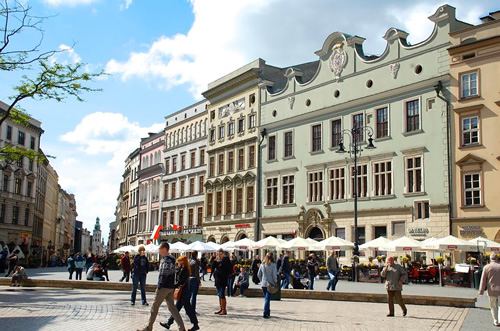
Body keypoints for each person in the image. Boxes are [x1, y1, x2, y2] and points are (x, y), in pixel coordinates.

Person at [138, 242, 186, 331]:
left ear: (164, 249)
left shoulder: (166, 259)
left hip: (164, 287)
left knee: (154, 307)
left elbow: (164, 273)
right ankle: (181, 328)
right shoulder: (172, 259)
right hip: (170, 287)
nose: (159, 250)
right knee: (172, 308)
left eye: (160, 248)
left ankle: (149, 327)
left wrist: (160, 285)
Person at [159, 255, 199, 331]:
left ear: (184, 261)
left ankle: (195, 324)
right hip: (183, 292)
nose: (178, 261)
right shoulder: (183, 269)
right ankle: (169, 323)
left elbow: (180, 281)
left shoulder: (185, 270)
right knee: (176, 309)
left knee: (188, 309)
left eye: (180, 260)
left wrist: (173, 286)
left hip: (184, 292)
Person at [479, 253, 500, 326]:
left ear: (490, 259)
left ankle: (496, 320)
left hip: (491, 290)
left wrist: (481, 290)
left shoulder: (486, 267)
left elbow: (483, 280)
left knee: (493, 306)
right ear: (497, 259)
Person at [257, 252, 277, 319]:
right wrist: (275, 281)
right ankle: (265, 312)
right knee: (267, 299)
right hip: (270, 284)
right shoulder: (273, 265)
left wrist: (261, 280)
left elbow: (258, 274)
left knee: (266, 298)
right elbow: (274, 275)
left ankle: (268, 311)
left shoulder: (262, 264)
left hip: (263, 284)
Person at [213, 248, 232, 315]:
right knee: (219, 295)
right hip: (217, 280)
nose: (219, 256)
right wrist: (214, 261)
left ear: (223, 254)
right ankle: (221, 308)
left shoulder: (226, 260)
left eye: (220, 254)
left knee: (222, 294)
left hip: (223, 280)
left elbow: (228, 269)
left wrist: (221, 262)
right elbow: (212, 268)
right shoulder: (217, 261)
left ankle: (224, 310)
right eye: (218, 254)